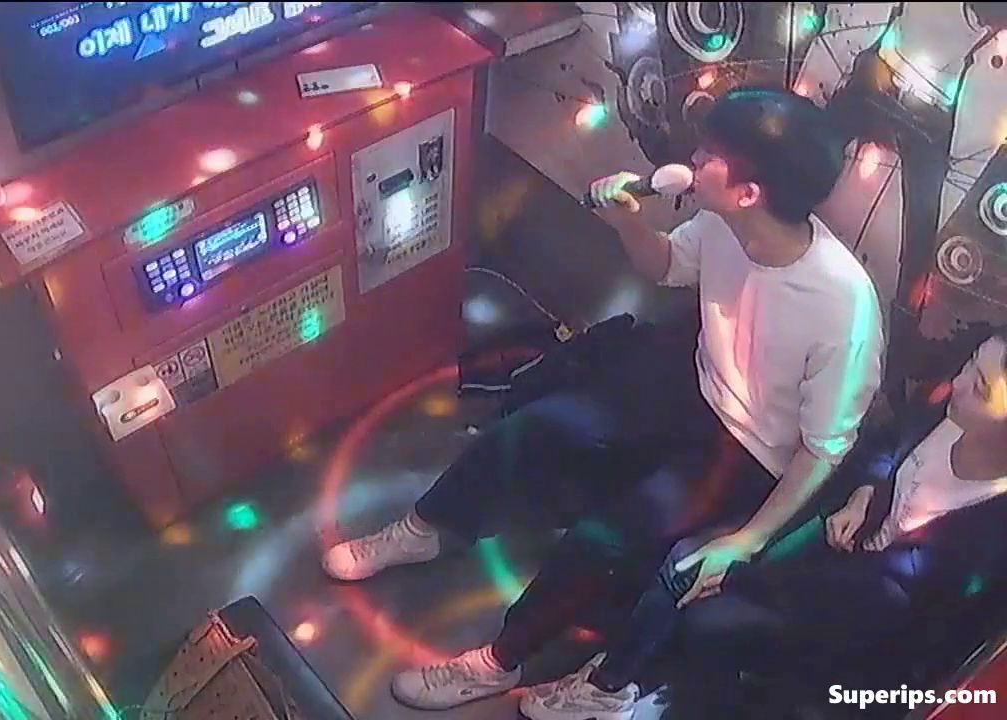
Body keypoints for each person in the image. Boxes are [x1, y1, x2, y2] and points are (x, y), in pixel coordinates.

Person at [321, 86, 888, 710]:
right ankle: (427, 527)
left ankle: (496, 662)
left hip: (753, 449)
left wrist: (748, 538)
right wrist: (627, 220)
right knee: (539, 424)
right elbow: (667, 266)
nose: (696, 158)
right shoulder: (724, 220)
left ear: (750, 193)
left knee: (603, 539)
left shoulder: (843, 309)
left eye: (712, 155)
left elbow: (824, 449)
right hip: (693, 383)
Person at [518, 331, 1007, 720]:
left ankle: (658, 692)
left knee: (709, 618)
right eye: (969, 365)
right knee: (689, 561)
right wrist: (866, 492)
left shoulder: (985, 537)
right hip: (833, 545)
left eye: (980, 387)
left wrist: (742, 578)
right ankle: (617, 684)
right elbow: (889, 442)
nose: (959, 382)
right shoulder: (947, 414)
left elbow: (875, 604)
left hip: (849, 624)